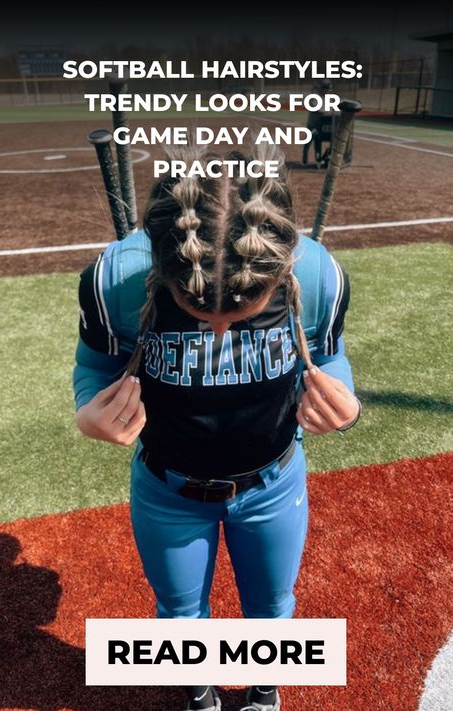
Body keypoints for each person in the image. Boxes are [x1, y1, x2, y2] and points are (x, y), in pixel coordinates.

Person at [73, 144, 361, 711]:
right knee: (179, 616)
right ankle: (201, 693)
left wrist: (345, 403)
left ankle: (262, 690)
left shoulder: (319, 273)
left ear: (282, 266)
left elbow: (330, 356)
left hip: (274, 483)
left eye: (244, 312)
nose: (222, 334)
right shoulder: (116, 281)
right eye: (201, 314)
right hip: (168, 488)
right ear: (161, 262)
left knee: (272, 608)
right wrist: (89, 415)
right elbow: (94, 367)